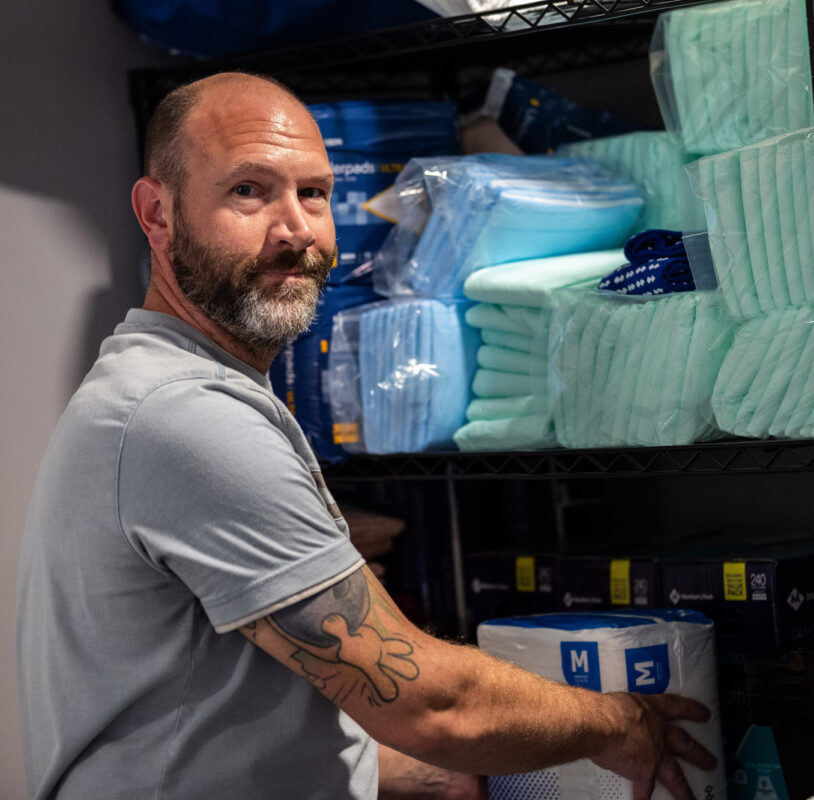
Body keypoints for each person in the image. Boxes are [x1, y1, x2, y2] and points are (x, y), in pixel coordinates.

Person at [16, 72, 717, 800]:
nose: (294, 230)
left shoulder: (163, 389)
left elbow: (225, 719)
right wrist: (619, 724)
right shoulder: (185, 416)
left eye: (313, 193)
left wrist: (438, 779)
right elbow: (433, 703)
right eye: (248, 191)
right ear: (157, 214)